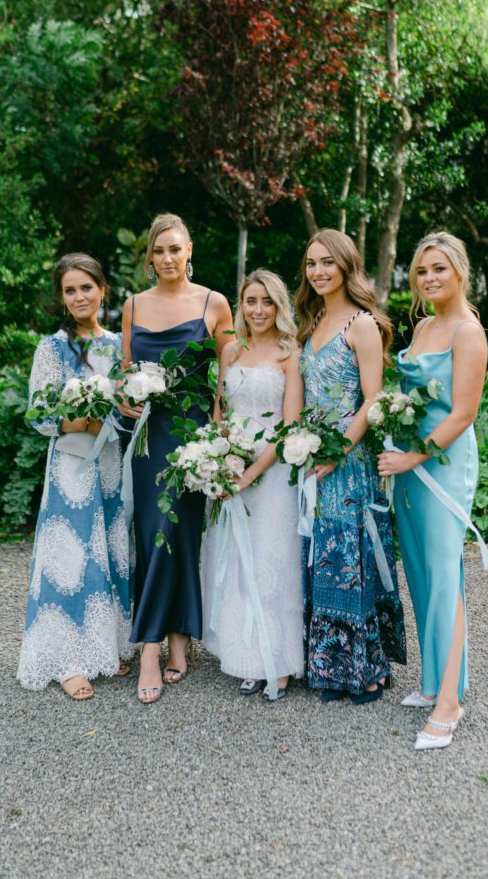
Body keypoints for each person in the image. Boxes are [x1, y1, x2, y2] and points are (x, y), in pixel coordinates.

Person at [378, 231, 488, 750]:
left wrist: (413, 455)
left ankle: (450, 703)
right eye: (422, 271)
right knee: (419, 571)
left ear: (460, 272)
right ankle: (434, 681)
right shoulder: (422, 325)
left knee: (446, 576)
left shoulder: (468, 332)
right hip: (406, 462)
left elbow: (464, 412)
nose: (429, 278)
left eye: (439, 268)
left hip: (441, 463)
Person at [120, 213, 232, 704]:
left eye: (175, 249)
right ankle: (150, 645)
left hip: (193, 437)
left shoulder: (214, 303)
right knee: (153, 531)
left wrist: (221, 434)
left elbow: (227, 376)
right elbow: (126, 373)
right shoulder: (133, 304)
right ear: (149, 258)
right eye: (158, 251)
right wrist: (127, 397)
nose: (167, 258)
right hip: (148, 438)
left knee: (182, 532)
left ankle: (180, 638)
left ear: (190, 250)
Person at [295, 229, 405, 703]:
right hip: (312, 461)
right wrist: (300, 446)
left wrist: (336, 450)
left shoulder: (361, 324)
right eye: (311, 263)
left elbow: (373, 399)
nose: (318, 271)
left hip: (349, 460)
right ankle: (335, 669)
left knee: (352, 558)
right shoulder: (312, 321)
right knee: (324, 560)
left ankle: (369, 670)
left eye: (327, 263)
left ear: (345, 266)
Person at [18, 253, 134, 700]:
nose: (80, 296)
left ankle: (107, 646)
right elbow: (38, 413)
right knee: (72, 555)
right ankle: (68, 659)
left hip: (110, 462)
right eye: (70, 290)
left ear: (102, 290)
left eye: (87, 287)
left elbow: (128, 410)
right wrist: (79, 419)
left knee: (110, 547)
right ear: (62, 298)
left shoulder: (118, 345)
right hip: (72, 463)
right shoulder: (51, 348)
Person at [201, 269, 305, 700]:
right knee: (238, 565)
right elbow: (220, 412)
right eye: (250, 301)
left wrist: (248, 473)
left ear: (279, 306)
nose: (258, 310)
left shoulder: (289, 353)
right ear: (240, 304)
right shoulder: (231, 350)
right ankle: (246, 656)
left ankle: (277, 662)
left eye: (266, 301)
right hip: (232, 469)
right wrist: (217, 462)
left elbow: (290, 426)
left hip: (273, 472)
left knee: (270, 563)